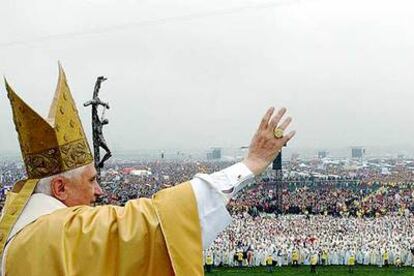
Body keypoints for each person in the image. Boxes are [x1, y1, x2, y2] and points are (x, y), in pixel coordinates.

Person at [0, 65, 295, 275]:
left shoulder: (21, 226)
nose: (98, 190)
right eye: (91, 180)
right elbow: (154, 224)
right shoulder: (55, 234)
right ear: (59, 188)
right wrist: (250, 164)